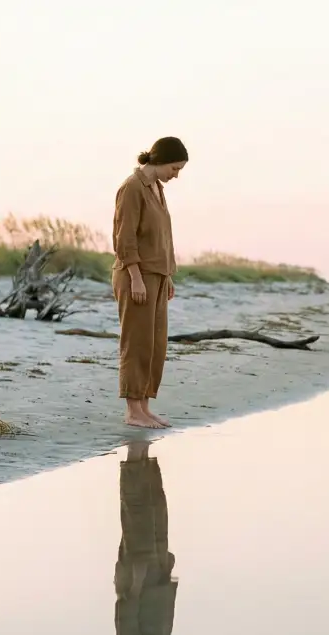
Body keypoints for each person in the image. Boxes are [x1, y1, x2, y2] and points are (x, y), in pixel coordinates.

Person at [112, 136, 188, 429]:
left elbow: (161, 235)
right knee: (137, 343)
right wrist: (136, 279)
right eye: (175, 168)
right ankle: (132, 412)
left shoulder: (157, 187)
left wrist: (167, 275)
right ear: (160, 160)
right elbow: (125, 237)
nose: (176, 175)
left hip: (157, 275)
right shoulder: (132, 188)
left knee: (155, 344)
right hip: (136, 276)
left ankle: (144, 407)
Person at [114, 439, 191, 635]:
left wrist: (134, 582)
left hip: (140, 576)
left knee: (138, 514)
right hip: (155, 571)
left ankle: (136, 457)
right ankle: (142, 456)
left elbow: (126, 620)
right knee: (156, 510)